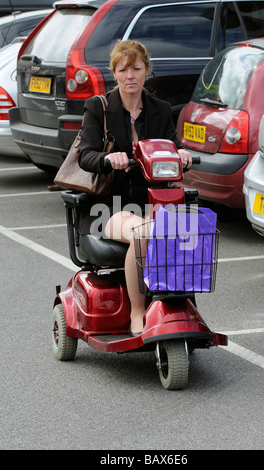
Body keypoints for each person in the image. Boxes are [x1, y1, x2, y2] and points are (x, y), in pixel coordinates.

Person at [79, 39, 192, 335]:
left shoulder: (161, 109)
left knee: (186, 232)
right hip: (111, 207)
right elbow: (84, 156)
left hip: (156, 203)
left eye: (136, 68)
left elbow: (172, 148)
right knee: (146, 232)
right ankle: (137, 312)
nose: (130, 75)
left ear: (146, 71)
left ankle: (176, 307)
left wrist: (182, 155)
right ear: (114, 73)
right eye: (123, 69)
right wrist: (108, 158)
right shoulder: (98, 108)